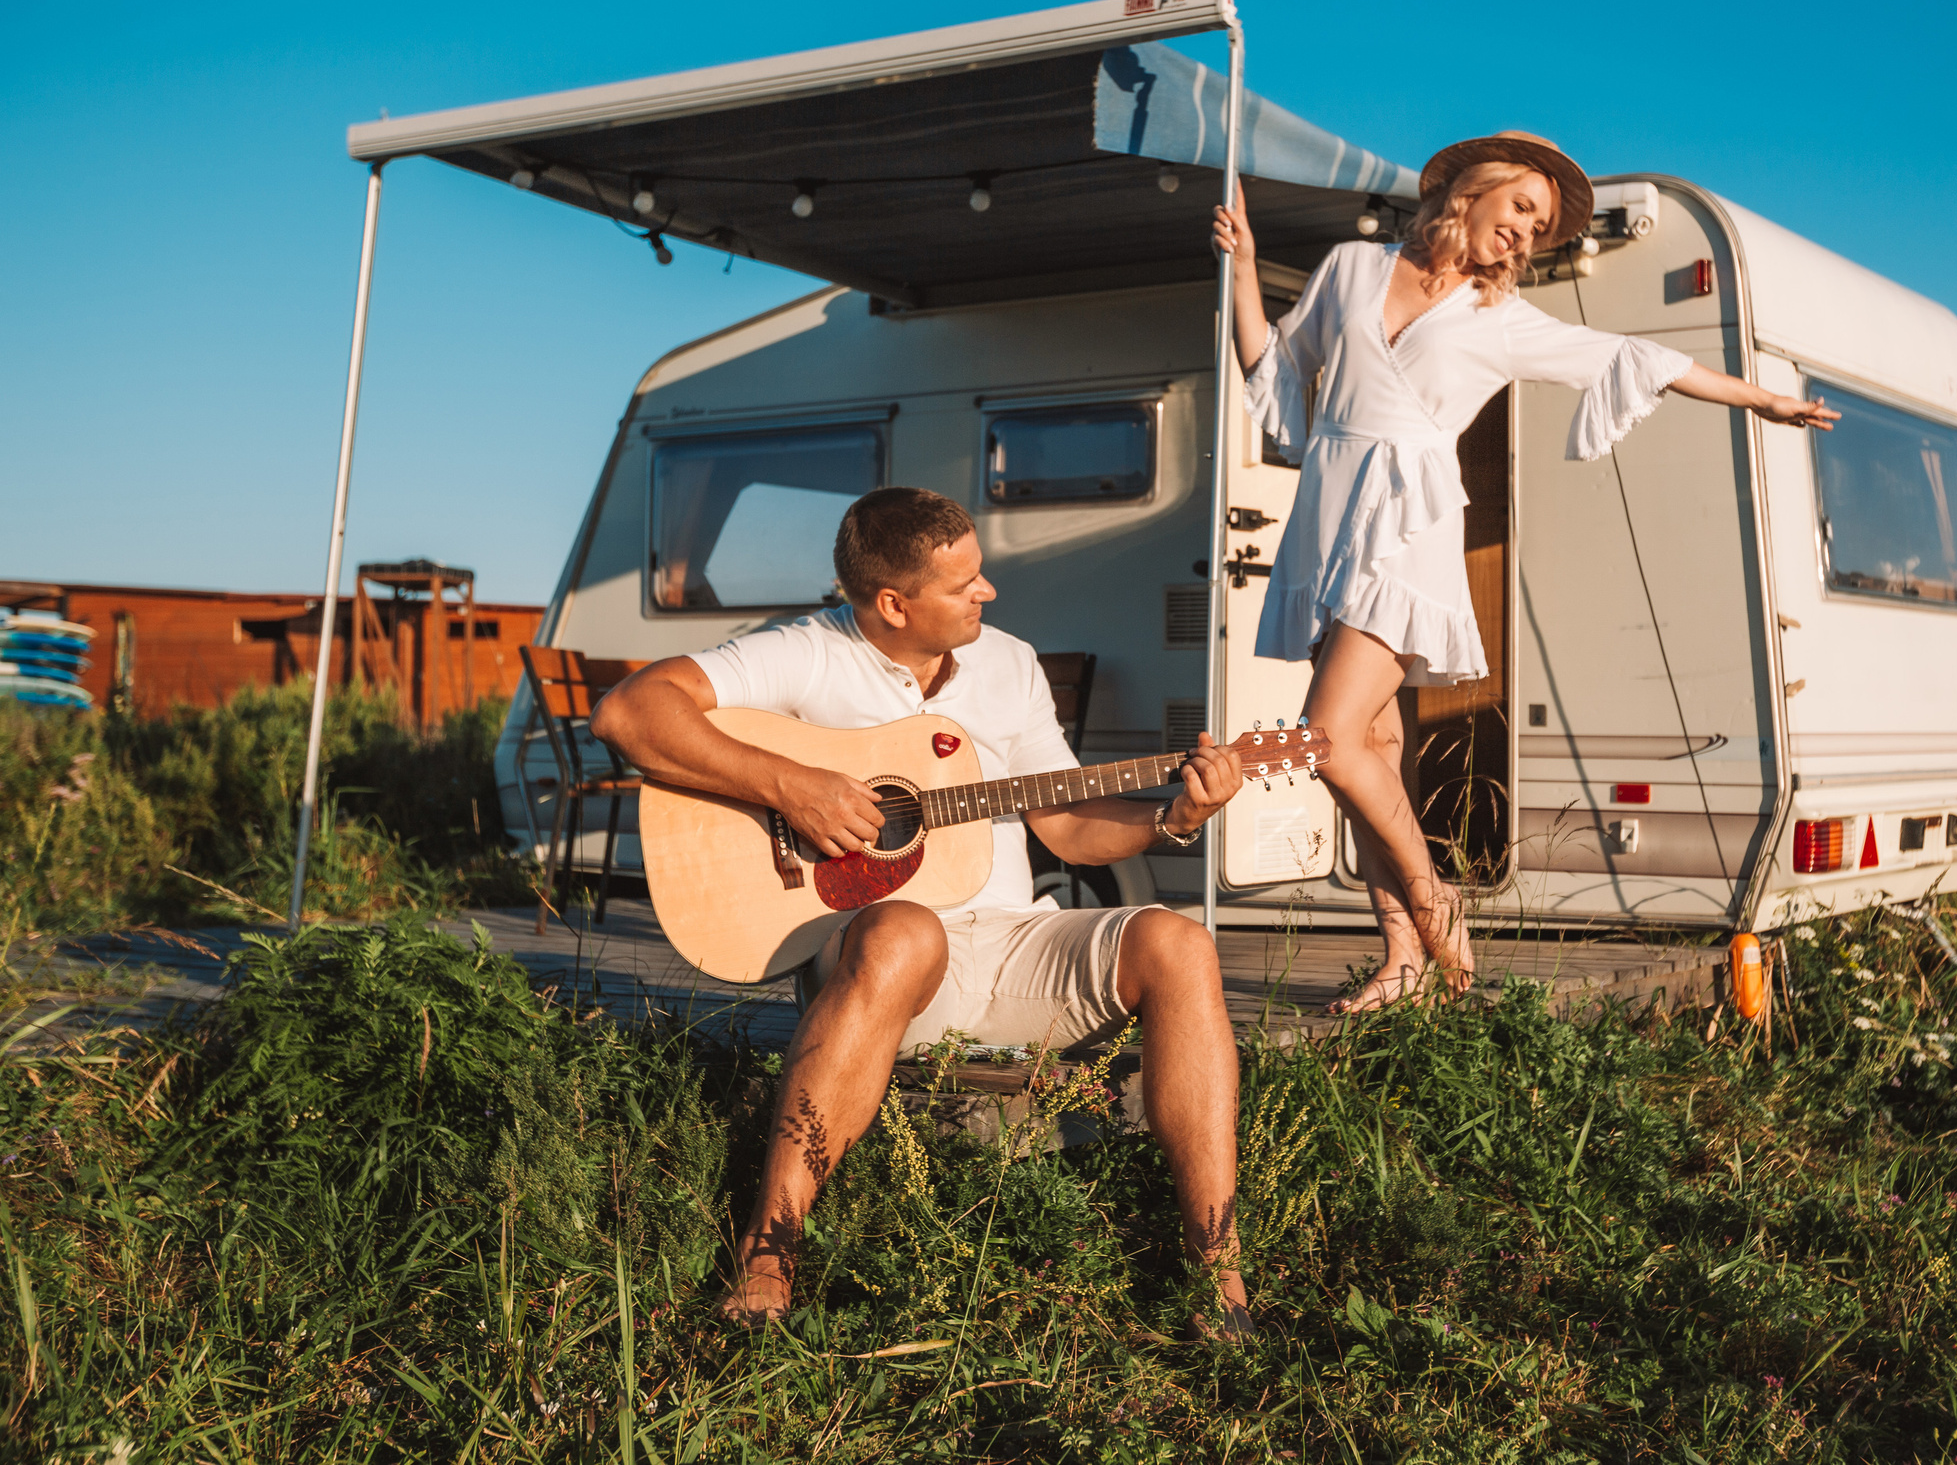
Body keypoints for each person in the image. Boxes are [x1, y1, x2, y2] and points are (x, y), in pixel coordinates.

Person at [591, 486, 1251, 1332]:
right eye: (964, 583)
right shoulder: (807, 653)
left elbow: (1068, 827)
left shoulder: (1010, 663)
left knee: (1179, 941)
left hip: (1016, 944)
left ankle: (1218, 1279)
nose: (989, 593)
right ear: (893, 603)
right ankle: (768, 1254)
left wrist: (1171, 819)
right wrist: (792, 785)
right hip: (888, 966)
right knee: (906, 925)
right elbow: (630, 711)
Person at [1213, 133, 1837, 1013]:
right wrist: (1241, 266)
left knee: (1330, 740)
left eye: (1540, 228)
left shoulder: (1497, 320)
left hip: (1409, 532)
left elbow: (1631, 358)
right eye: (1520, 211)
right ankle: (1402, 961)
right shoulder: (1353, 267)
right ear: (1473, 192)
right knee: (1373, 753)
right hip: (1333, 522)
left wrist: (1763, 399)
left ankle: (1439, 915)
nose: (1526, 235)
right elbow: (1275, 367)